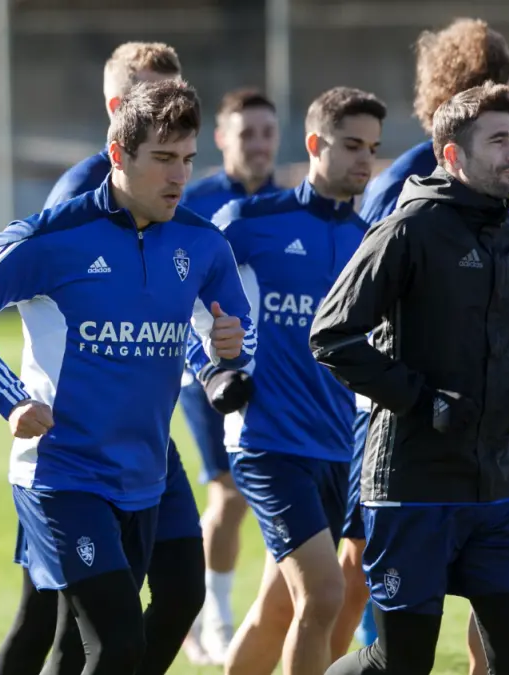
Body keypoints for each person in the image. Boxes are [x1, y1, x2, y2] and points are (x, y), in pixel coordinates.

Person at [0, 78, 255, 675]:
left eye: (187, 159)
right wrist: (9, 399)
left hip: (149, 469)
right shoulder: (51, 237)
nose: (179, 176)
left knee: (162, 610)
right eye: (163, 158)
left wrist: (227, 351)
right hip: (64, 473)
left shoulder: (203, 243)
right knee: (115, 642)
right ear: (117, 155)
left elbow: (233, 337)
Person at [314, 82, 509, 675]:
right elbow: (332, 336)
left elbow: (504, 344)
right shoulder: (406, 230)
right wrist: (421, 399)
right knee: (400, 663)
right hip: (411, 486)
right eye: (498, 140)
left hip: (499, 489)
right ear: (453, 155)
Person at [0, 42, 208, 675]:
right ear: (119, 111)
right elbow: (44, 303)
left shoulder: (176, 206)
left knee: (173, 597)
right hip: (71, 448)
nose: (169, 107)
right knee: (52, 616)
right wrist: (15, 398)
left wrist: (219, 354)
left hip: (146, 444)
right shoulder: (78, 198)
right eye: (152, 96)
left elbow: (191, 307)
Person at [194, 86, 383, 675]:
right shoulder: (250, 221)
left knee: (280, 610)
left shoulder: (371, 241)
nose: (364, 160)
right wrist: (212, 366)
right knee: (323, 595)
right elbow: (185, 296)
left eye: (372, 148)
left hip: (337, 447)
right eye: (351, 145)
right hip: (267, 443)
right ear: (315, 144)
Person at [177, 85, 282, 665]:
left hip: (272, 371)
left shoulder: (287, 203)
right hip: (206, 371)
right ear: (220, 138)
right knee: (230, 491)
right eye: (246, 134)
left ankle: (224, 613)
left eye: (267, 133)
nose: (259, 145)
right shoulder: (194, 202)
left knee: (268, 491)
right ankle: (211, 617)